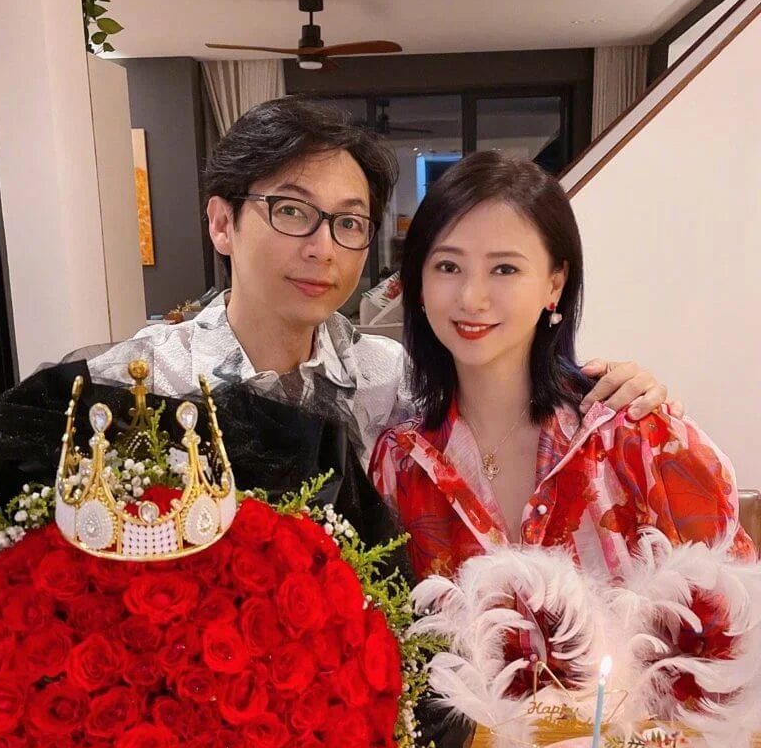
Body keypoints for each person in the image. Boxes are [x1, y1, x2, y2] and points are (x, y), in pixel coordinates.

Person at [86, 97, 671, 469]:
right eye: (291, 211)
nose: (322, 248)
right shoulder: (132, 384)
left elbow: (508, 412)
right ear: (222, 224)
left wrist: (621, 388)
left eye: (348, 222)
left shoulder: (390, 380)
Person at [369, 151, 755, 580]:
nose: (471, 297)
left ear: (554, 283)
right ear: (419, 284)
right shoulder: (400, 464)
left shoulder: (636, 436)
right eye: (448, 266)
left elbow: (733, 606)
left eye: (504, 268)